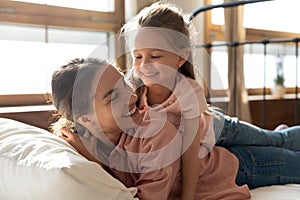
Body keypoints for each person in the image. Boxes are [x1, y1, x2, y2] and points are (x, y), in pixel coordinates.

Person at [119, 2, 300, 199]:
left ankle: (279, 135)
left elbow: (190, 153)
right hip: (208, 144)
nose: (144, 65)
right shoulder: (133, 91)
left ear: (181, 58)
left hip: (217, 127)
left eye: (155, 55)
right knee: (270, 144)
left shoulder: (187, 91)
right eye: (137, 56)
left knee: (275, 140)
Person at [51, 57, 300, 200]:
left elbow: (151, 197)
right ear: (85, 119)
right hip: (211, 146)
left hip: (242, 167)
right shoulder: (79, 140)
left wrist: (93, 156)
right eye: (112, 97)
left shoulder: (152, 132)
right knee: (280, 139)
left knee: (284, 146)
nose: (130, 96)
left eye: (124, 85)